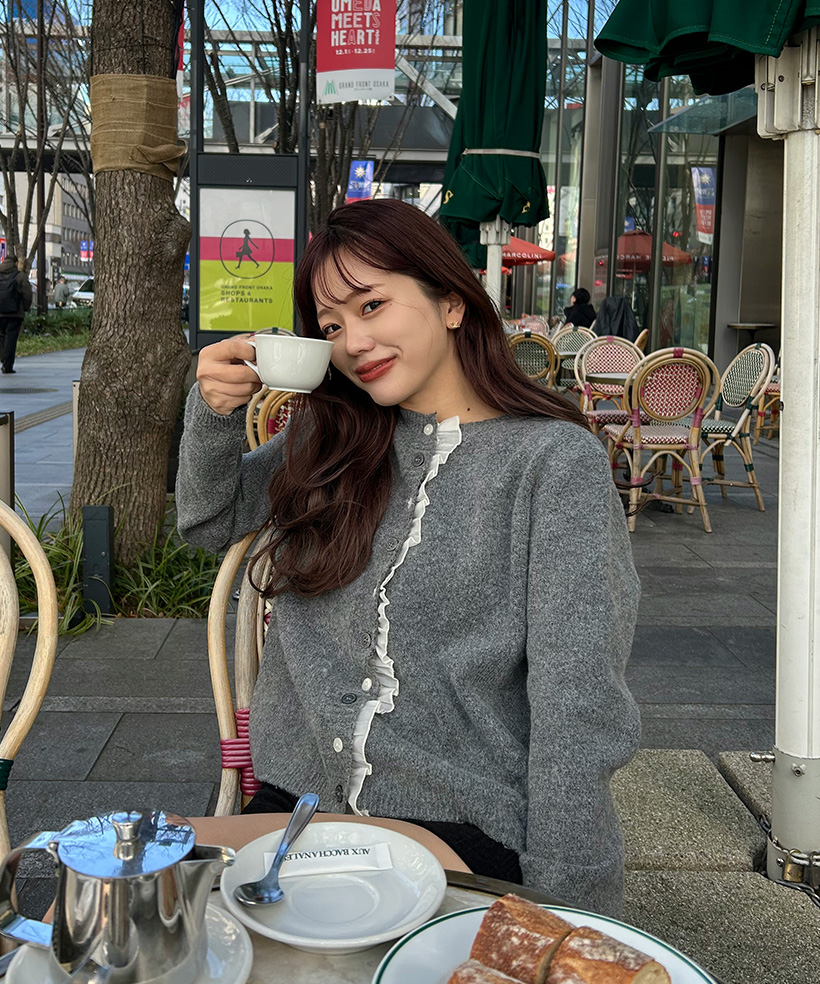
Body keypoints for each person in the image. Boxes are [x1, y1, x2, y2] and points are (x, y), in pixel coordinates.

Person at [176, 199, 640, 915]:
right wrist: (212, 412)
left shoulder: (551, 464)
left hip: (456, 827)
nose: (354, 342)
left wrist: (563, 905)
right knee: (120, 889)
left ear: (451, 302)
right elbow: (208, 521)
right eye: (332, 326)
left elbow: (577, 705)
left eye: (372, 306)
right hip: (298, 809)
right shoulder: (330, 440)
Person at [0, 255, 33, 374]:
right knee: (11, 338)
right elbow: (27, 294)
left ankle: (3, 358)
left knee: (1, 336)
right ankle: (7, 365)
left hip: (0, 313)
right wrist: (25, 307)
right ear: (15, 264)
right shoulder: (20, 276)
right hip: (15, 313)